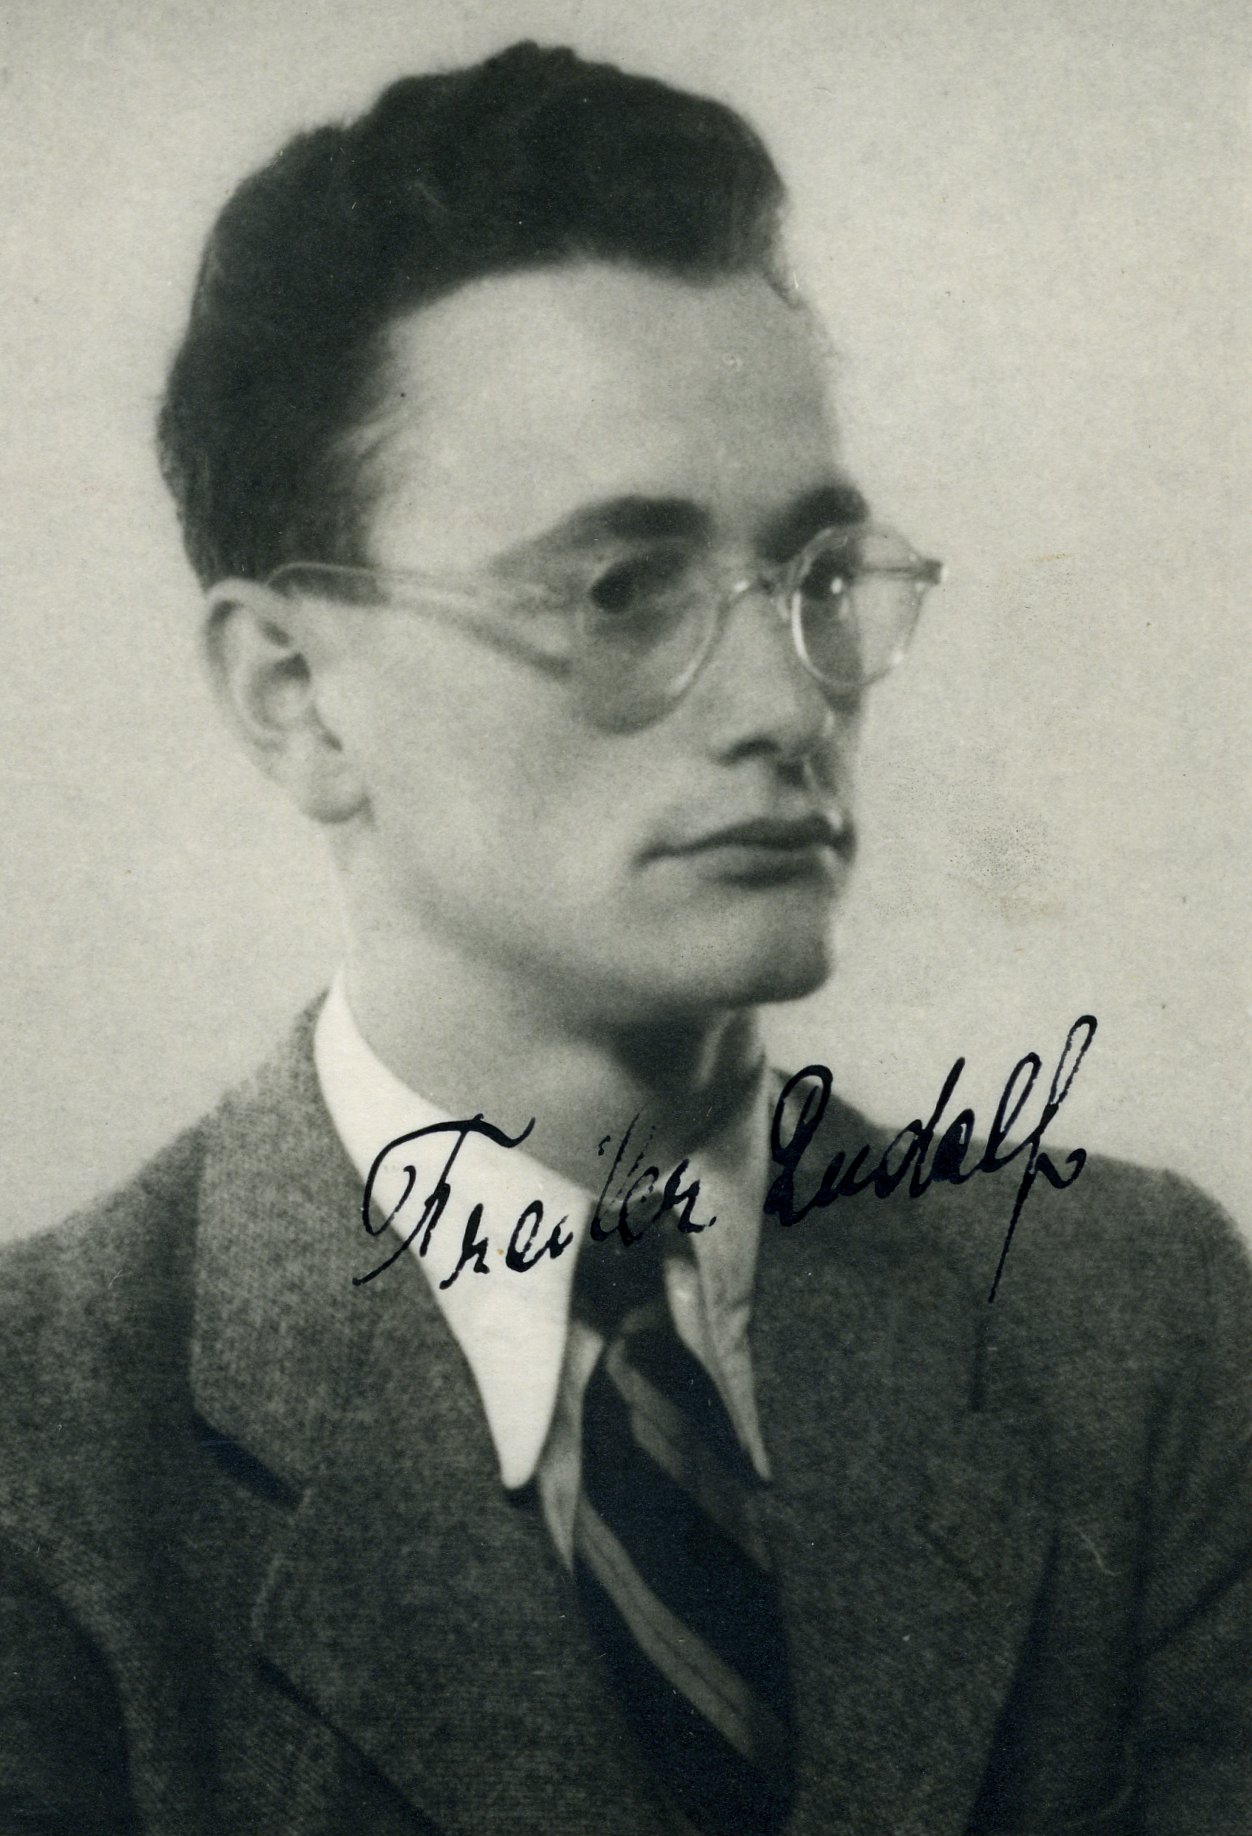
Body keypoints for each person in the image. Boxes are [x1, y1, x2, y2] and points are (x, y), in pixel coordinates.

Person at [0, 40, 1248, 1836]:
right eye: (620, 590)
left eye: (818, 580)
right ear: (294, 695)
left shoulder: (1123, 1330)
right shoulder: (48, 1457)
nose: (787, 707)